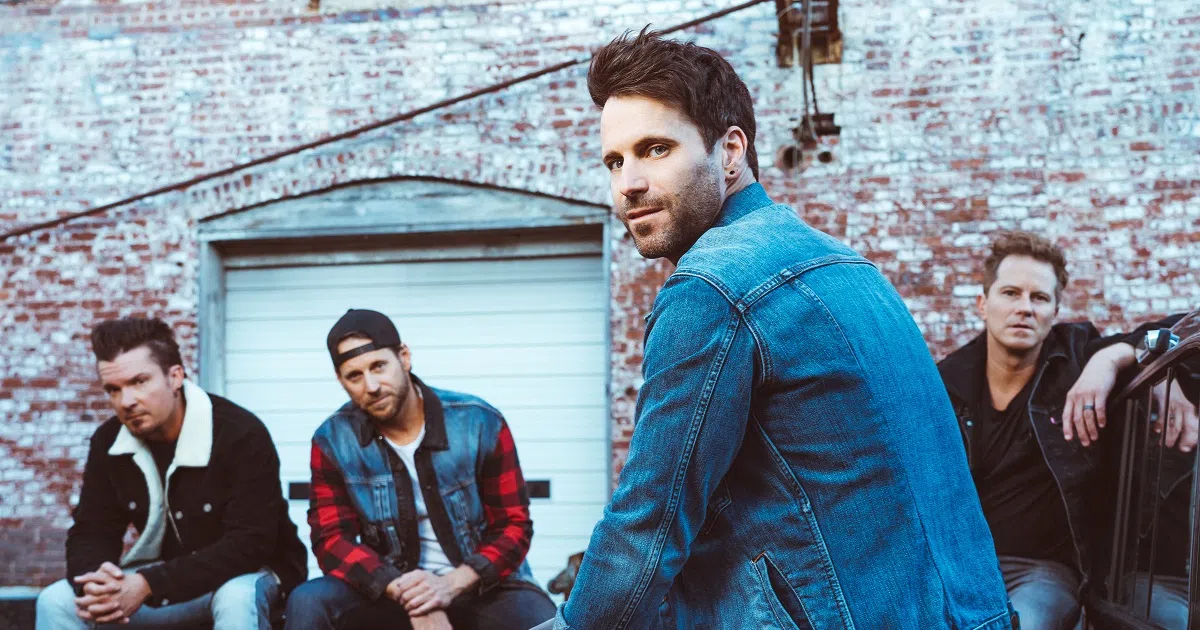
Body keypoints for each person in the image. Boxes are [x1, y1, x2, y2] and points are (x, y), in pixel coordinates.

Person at [540, 29, 1013, 630]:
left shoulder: (712, 288)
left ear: (731, 151)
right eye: (615, 160)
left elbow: (649, 526)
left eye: (655, 149)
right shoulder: (846, 264)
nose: (628, 182)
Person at [936, 231, 1196, 629]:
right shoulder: (946, 382)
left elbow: (1181, 329)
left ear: (1055, 310)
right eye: (1010, 293)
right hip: (963, 564)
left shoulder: (1076, 358)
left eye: (1039, 298)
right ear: (983, 304)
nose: (1025, 308)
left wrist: (1110, 360)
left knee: (1025, 622)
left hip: (1042, 572)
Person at [285, 309, 556, 630]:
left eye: (378, 366)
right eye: (354, 376)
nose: (371, 386)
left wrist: (448, 585)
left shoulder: (479, 422)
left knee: (543, 620)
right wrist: (407, 594)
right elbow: (331, 540)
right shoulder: (332, 440)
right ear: (340, 380)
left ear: (404, 357)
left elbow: (514, 526)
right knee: (308, 601)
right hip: (387, 587)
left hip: (479, 585)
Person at [35, 317, 308, 629]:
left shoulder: (239, 433)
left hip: (249, 575)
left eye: (139, 382)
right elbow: (92, 530)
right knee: (56, 601)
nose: (126, 401)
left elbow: (250, 544)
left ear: (175, 376)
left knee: (236, 597)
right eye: (113, 389)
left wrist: (148, 584)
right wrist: (95, 582)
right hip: (165, 580)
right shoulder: (109, 441)